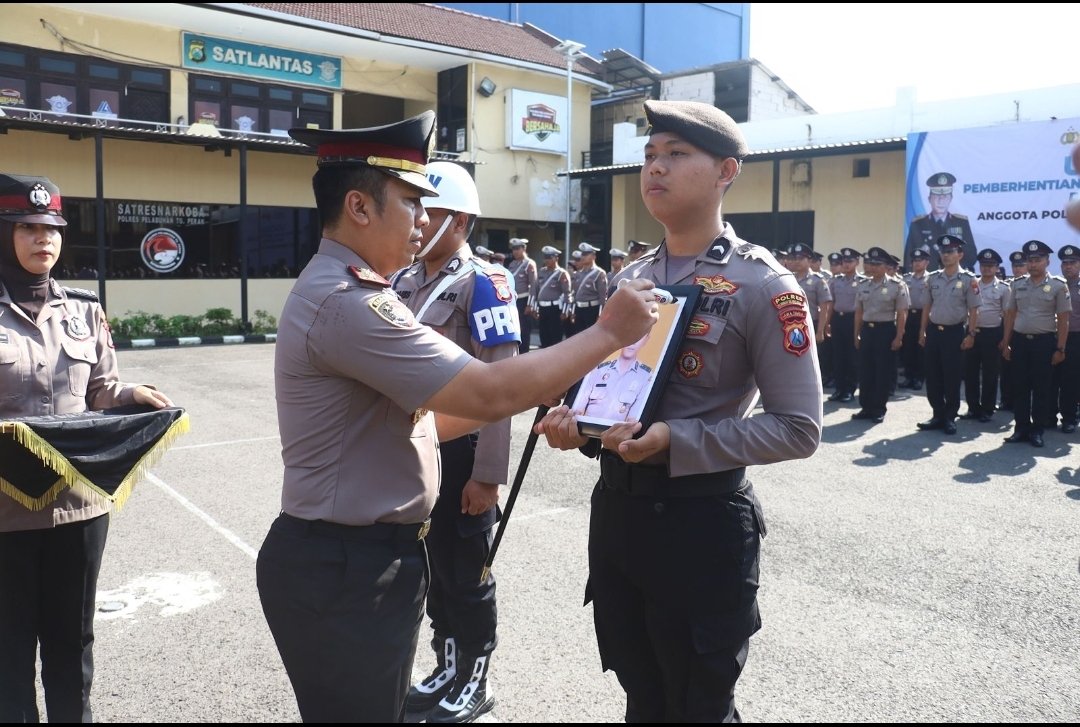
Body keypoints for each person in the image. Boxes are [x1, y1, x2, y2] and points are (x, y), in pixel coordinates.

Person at [255, 111, 660, 724]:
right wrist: (608, 334)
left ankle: (463, 671)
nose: (423, 219)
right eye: (412, 202)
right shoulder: (349, 302)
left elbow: (420, 419)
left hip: (353, 558)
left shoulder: (363, 288)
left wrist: (530, 416)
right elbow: (488, 388)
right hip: (344, 566)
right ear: (359, 207)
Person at [535, 99, 823, 723]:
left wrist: (677, 439)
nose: (655, 168)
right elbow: (616, 386)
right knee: (642, 696)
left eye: (676, 154)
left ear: (726, 171)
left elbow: (799, 429)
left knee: (698, 704)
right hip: (620, 514)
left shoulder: (763, 284)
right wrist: (580, 425)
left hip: (700, 526)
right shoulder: (633, 278)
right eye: (649, 155)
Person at [0, 173, 174, 723]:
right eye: (27, 227)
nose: (43, 238)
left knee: (72, 643)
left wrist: (131, 394)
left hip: (76, 506)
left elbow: (100, 390)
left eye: (52, 228)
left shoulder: (83, 310)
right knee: (7, 650)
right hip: (4, 512)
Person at [391, 162, 516, 723]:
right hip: (414, 449)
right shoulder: (403, 279)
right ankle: (447, 666)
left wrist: (487, 474)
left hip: (463, 452)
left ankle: (476, 677)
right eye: (416, 209)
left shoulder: (483, 283)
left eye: (432, 212)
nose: (419, 221)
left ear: (461, 221)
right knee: (431, 569)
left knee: (467, 573)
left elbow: (502, 382)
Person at [1001, 240, 1069, 448]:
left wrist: (1060, 348)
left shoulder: (1058, 285)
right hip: (1020, 342)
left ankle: (1037, 430)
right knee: (1020, 386)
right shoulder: (1017, 284)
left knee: (1041, 388)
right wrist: (1006, 342)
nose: (1033, 264)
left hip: (1044, 343)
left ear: (1047, 261)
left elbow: (1063, 320)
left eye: (1037, 260)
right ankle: (1021, 428)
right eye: (1030, 260)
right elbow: (1010, 315)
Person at [917, 234, 981, 435]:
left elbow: (974, 310)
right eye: (943, 252)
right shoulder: (932, 278)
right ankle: (937, 414)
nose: (946, 255)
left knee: (951, 376)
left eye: (950, 252)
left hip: (955, 333)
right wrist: (922, 331)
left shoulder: (969, 280)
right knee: (933, 374)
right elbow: (927, 306)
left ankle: (950, 417)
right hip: (934, 332)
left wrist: (971, 334)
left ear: (960, 254)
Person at [852, 246, 909, 423]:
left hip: (885, 331)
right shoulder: (863, 285)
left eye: (878, 264)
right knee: (865, 370)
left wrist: (899, 336)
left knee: (882, 371)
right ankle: (866, 407)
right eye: (871, 263)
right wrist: (856, 334)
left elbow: (902, 313)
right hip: (867, 331)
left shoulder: (897, 285)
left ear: (886, 266)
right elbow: (859, 312)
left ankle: (878, 408)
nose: (873, 267)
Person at [961, 249, 1010, 423]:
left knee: (990, 373)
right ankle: (973, 408)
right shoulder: (972, 284)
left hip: (992, 334)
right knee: (970, 373)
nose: (987, 268)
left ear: (997, 268)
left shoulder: (1003, 288)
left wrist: (1005, 339)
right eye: (983, 265)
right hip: (972, 332)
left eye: (990, 265)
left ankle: (987, 409)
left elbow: (1007, 316)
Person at [904, 172, 977, 271]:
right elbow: (909, 258)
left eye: (945, 197)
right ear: (929, 199)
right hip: (927, 278)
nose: (941, 201)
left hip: (954, 276)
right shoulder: (918, 224)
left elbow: (971, 256)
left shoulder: (961, 223)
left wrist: (954, 271)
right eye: (936, 196)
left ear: (951, 199)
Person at [576, 331, 653, 422]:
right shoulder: (598, 370)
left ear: (646, 340)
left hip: (617, 431)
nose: (633, 341)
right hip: (585, 428)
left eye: (639, 336)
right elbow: (577, 410)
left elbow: (632, 420)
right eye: (629, 335)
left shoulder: (646, 377)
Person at [788, 243, 833, 381]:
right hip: (790, 324)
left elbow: (824, 307)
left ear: (809, 260)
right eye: (795, 258)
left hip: (810, 324)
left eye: (801, 258)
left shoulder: (818, 281)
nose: (797, 261)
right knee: (791, 357)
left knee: (810, 359)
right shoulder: (789, 278)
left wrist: (820, 331)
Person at [827, 247, 865, 403]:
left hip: (853, 320)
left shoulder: (863, 281)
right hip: (838, 319)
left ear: (857, 262)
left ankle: (849, 390)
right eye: (844, 261)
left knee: (852, 357)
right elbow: (831, 303)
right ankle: (839, 389)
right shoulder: (836, 281)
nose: (846, 264)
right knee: (838, 356)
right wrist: (828, 323)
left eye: (850, 261)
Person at [998, 250, 1029, 411]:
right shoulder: (1007, 284)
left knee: (1021, 370)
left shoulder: (1031, 284)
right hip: (1006, 328)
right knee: (1006, 367)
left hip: (1023, 330)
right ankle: (1006, 400)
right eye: (1015, 266)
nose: (1017, 269)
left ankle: (1020, 402)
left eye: (1021, 265)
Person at [1054, 244, 1080, 433]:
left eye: (1072, 262)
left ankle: (1069, 418)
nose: (1068, 266)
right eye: (1065, 263)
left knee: (1071, 380)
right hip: (1055, 336)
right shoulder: (1056, 285)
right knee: (1054, 379)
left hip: (1076, 338)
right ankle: (1049, 416)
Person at [528, 245, 572, 348]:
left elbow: (567, 293)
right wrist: (535, 308)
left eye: (549, 258)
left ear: (556, 258)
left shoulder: (561, 273)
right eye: (545, 258)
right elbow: (536, 291)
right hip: (543, 309)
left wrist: (565, 311)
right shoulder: (541, 272)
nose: (546, 260)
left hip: (555, 309)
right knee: (544, 337)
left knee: (555, 338)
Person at [900, 248, 931, 389]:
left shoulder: (931, 278)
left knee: (921, 348)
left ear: (927, 262)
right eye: (915, 261)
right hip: (908, 315)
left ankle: (919, 378)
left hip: (923, 315)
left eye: (920, 260)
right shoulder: (906, 278)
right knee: (908, 347)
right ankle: (908, 376)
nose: (917, 263)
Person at [570, 242, 608, 335]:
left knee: (591, 337)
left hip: (592, 310)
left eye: (586, 254)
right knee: (579, 336)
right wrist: (573, 311)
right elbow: (575, 294)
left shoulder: (599, 273)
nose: (583, 257)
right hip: (579, 309)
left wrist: (600, 314)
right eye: (582, 254)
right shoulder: (578, 274)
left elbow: (603, 297)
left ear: (593, 256)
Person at [506, 237, 537, 354]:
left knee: (524, 329)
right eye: (513, 249)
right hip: (512, 301)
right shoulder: (512, 264)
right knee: (513, 328)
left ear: (524, 249)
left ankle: (524, 353)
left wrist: (530, 305)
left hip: (524, 300)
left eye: (517, 249)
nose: (515, 251)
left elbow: (533, 285)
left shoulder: (529, 264)